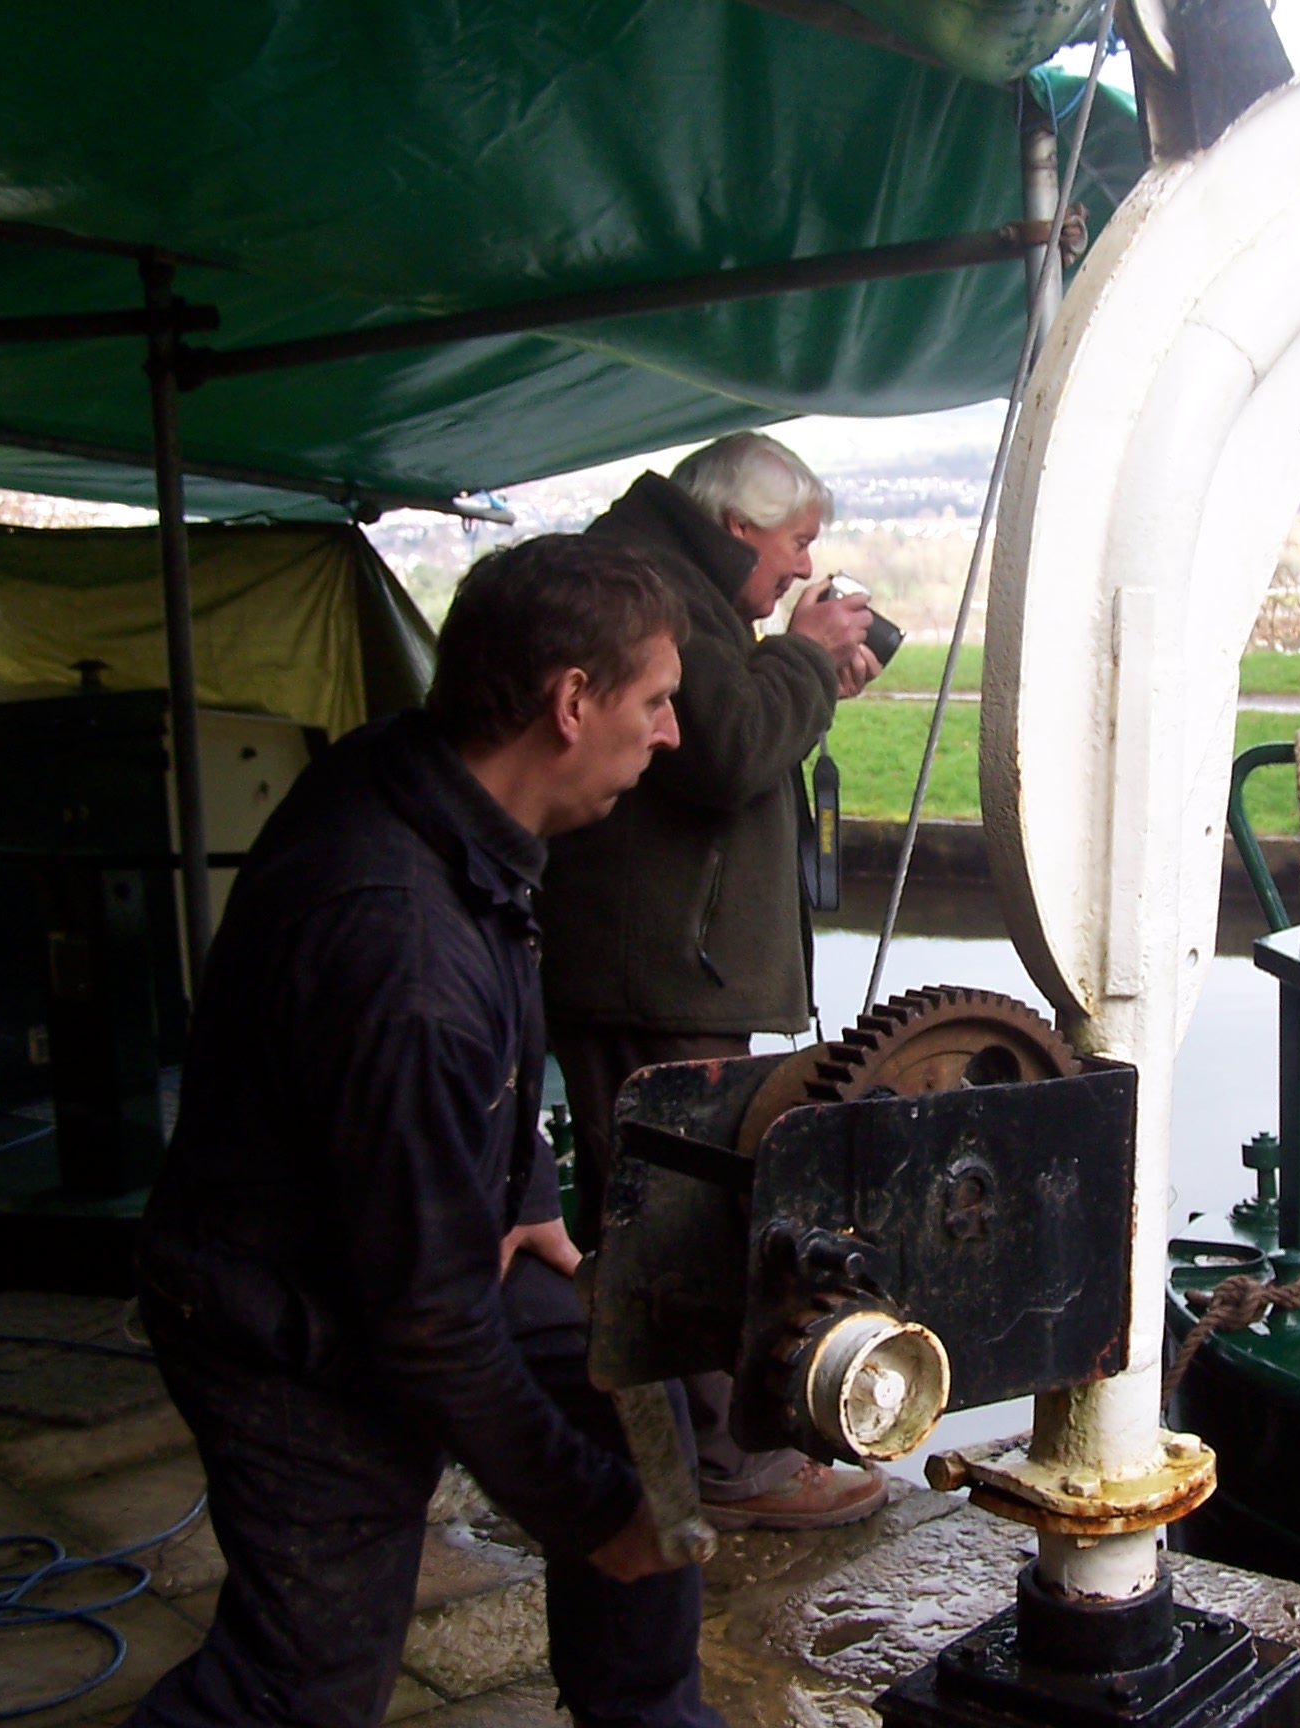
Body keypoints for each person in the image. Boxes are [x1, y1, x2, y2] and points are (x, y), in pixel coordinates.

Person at [131, 536, 718, 1728]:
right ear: (570, 703)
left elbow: (499, 1024)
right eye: (656, 702)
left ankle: (649, 1717)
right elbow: (431, 1326)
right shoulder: (400, 952)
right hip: (280, 1313)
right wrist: (590, 1520)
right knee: (303, 1685)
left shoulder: (429, 787)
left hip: (398, 1246)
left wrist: (528, 1193)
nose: (670, 735)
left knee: (638, 1415)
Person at [540, 431, 885, 1532]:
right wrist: (802, 654)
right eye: (796, 544)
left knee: (651, 1206)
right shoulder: (654, 586)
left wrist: (811, 671)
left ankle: (668, 1446)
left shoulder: (668, 576)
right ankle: (729, 1469)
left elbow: (733, 726)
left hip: (666, 968)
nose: (800, 569)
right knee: (684, 1217)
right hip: (659, 977)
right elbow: (731, 746)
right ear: (738, 524)